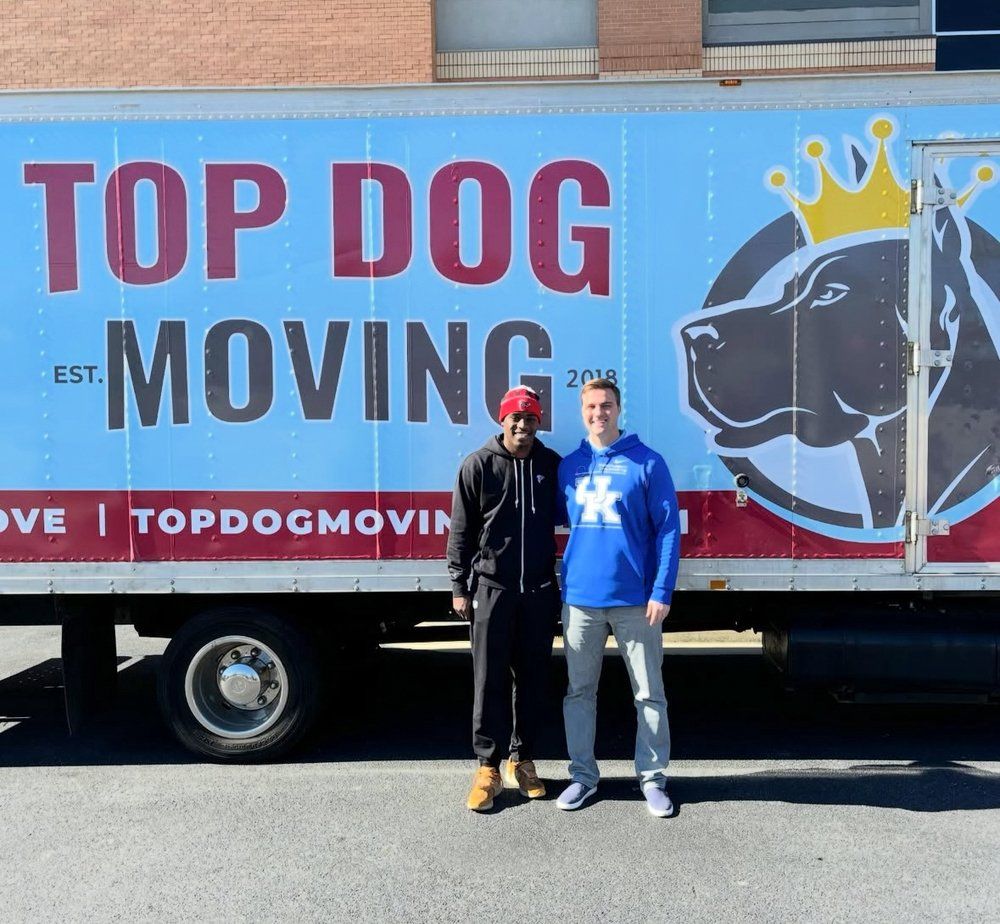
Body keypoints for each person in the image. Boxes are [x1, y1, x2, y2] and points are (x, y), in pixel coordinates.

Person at [555, 378, 681, 818]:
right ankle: (582, 777)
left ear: (619, 409)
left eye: (606, 405)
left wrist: (661, 589)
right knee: (579, 692)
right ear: (582, 411)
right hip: (581, 601)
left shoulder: (648, 463)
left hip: (635, 602)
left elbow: (668, 530)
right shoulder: (569, 467)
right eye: (590, 406)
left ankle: (652, 779)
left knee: (649, 694)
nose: (598, 413)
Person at [447, 385, 563, 812]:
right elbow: (460, 530)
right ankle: (487, 767)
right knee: (489, 679)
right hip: (492, 590)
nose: (522, 425)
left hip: (538, 591)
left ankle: (524, 759)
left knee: (533, 681)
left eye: (530, 418)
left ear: (538, 423)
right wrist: (460, 586)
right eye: (515, 418)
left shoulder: (550, 465)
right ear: (503, 420)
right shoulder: (478, 465)